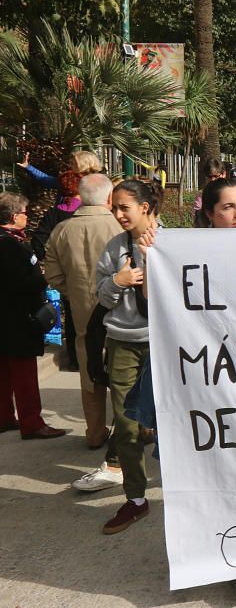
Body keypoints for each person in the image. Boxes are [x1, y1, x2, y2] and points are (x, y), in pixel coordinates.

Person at [96, 180, 159, 534]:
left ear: (145, 207)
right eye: (114, 208)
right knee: (126, 423)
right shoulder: (113, 249)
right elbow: (102, 299)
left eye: (124, 207)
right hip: (122, 341)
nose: (118, 214)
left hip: (165, 341)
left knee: (180, 420)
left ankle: (189, 493)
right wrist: (117, 282)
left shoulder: (173, 242)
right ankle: (136, 498)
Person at [43, 174, 122, 454]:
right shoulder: (120, 227)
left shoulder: (62, 230)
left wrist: (74, 292)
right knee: (123, 371)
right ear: (110, 198)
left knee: (89, 372)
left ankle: (94, 432)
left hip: (80, 312)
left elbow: (52, 274)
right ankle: (130, 432)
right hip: (120, 312)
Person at [0, 192, 67, 440]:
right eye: (25, 213)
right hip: (18, 319)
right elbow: (24, 282)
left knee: (5, 372)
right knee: (24, 375)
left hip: (7, 319)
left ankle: (5, 417)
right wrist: (40, 277)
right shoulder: (11, 245)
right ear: (14, 216)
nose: (27, 217)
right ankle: (32, 422)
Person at [192, 158, 227, 225]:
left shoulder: (232, 192)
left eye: (216, 176)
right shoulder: (201, 195)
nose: (213, 179)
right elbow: (196, 217)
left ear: (224, 174)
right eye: (210, 177)